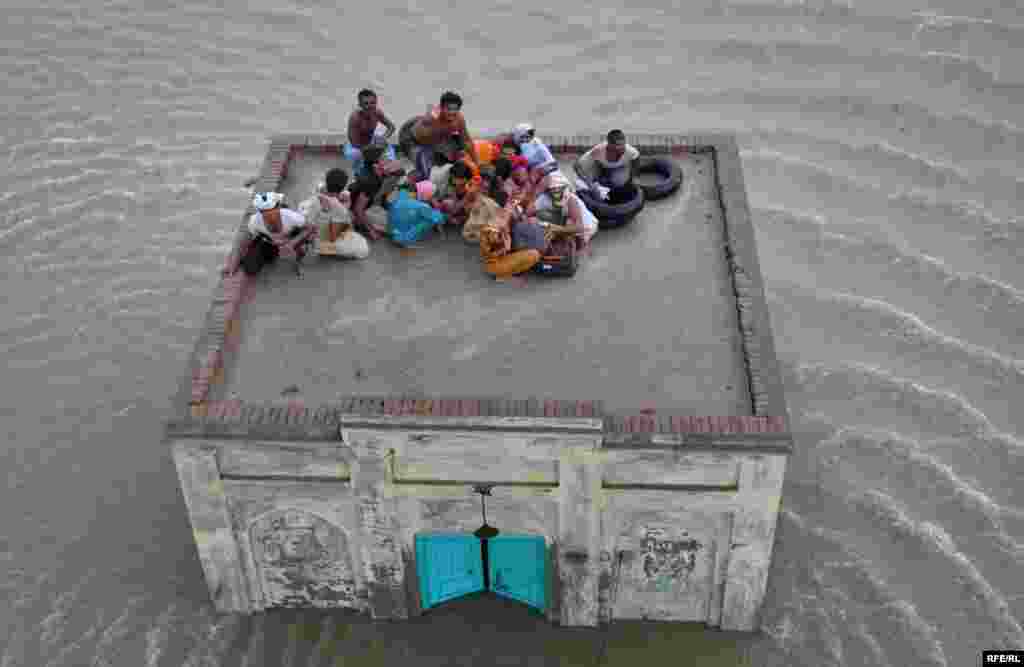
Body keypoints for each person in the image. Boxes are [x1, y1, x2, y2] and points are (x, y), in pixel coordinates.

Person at [221, 192, 317, 276]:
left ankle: (299, 251)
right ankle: (271, 253)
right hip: (269, 241)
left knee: (306, 236)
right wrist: (233, 264)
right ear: (260, 212)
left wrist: (292, 243)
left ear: (278, 207)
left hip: (290, 237)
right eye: (265, 213)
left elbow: (311, 227)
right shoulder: (255, 221)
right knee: (250, 268)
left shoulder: (290, 216)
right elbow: (242, 242)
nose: (270, 216)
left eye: (272, 212)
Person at [298, 168, 369, 259]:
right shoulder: (341, 209)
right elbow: (345, 226)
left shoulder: (318, 194)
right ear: (342, 187)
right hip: (322, 242)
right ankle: (325, 249)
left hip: (314, 231)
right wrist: (347, 205)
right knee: (363, 248)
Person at [409, 91, 480, 183]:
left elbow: (467, 142)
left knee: (458, 155)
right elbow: (421, 129)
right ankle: (407, 181)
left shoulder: (459, 119)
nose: (452, 112)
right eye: (448, 109)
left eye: (455, 109)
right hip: (414, 140)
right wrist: (428, 120)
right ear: (441, 108)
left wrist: (477, 163)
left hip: (438, 140)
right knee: (425, 174)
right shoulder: (433, 116)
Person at [527, 170, 598, 254]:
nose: (555, 190)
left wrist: (556, 230)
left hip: (586, 228)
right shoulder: (545, 197)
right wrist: (538, 191)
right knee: (534, 220)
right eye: (552, 188)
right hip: (563, 226)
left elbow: (579, 227)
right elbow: (528, 212)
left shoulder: (570, 199)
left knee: (568, 223)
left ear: (563, 187)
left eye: (558, 187)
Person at [478, 199, 541, 279]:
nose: (510, 212)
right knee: (534, 254)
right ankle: (505, 273)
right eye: (508, 210)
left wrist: (526, 218)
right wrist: (505, 248)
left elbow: (518, 217)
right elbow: (491, 254)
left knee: (531, 250)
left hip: (506, 255)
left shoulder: (504, 221)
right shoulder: (490, 231)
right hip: (496, 265)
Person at [575, 129, 641, 204]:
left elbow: (636, 157)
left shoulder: (630, 151)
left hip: (618, 167)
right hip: (600, 166)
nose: (621, 148)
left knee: (619, 182)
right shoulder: (598, 150)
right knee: (583, 182)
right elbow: (577, 165)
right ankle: (601, 178)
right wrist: (589, 183)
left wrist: (635, 177)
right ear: (609, 144)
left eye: (622, 145)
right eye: (617, 145)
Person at [348, 144, 398, 241]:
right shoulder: (371, 181)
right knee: (393, 228)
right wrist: (371, 230)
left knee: (394, 218)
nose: (388, 160)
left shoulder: (374, 171)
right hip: (356, 212)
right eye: (383, 158)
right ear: (376, 164)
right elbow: (358, 209)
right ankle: (359, 224)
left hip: (367, 204)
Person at [345, 89, 397, 178]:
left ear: (376, 103)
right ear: (360, 105)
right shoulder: (355, 118)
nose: (370, 106)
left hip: (371, 141)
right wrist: (370, 150)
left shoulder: (377, 112)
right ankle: (359, 176)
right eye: (366, 103)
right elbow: (353, 141)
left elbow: (391, 127)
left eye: (373, 103)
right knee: (357, 160)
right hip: (356, 146)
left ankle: (386, 174)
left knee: (390, 154)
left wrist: (383, 138)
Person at [435, 161, 481, 228]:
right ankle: (456, 219)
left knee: (468, 207)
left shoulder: (471, 187)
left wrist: (448, 216)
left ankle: (462, 220)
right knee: (446, 203)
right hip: (460, 207)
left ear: (464, 178)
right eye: (452, 176)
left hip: (473, 210)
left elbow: (460, 206)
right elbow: (455, 201)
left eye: (455, 177)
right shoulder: (455, 185)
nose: (453, 179)